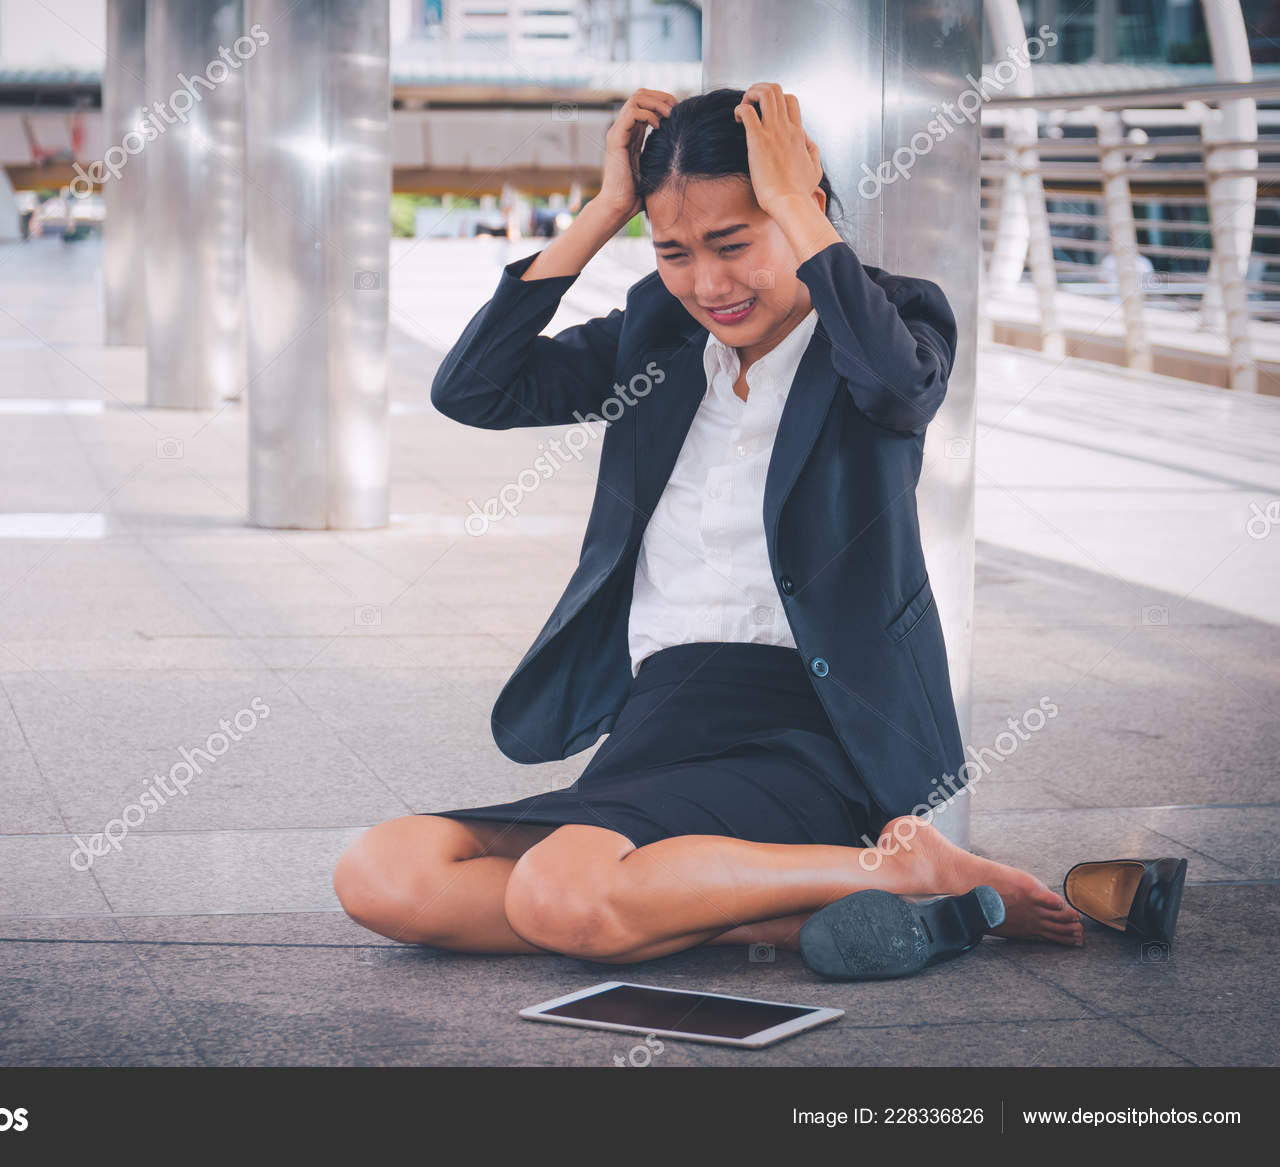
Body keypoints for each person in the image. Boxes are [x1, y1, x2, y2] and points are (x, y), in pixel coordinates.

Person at [332, 83, 1083, 968]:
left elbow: (899, 389)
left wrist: (801, 217)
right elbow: (474, 389)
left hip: (809, 723)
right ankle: (794, 899)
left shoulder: (885, 323)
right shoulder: (658, 338)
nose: (709, 284)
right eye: (676, 253)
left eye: (735, 243)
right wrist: (606, 209)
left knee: (560, 892)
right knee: (383, 872)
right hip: (662, 717)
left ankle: (893, 870)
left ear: (802, 213)